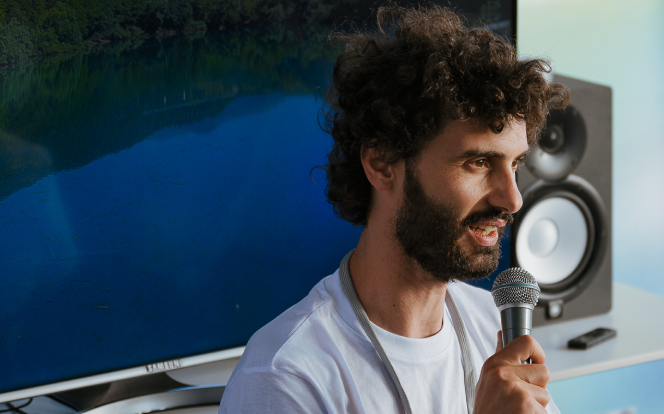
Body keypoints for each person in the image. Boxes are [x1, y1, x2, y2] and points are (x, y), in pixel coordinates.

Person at [219, 5, 569, 413]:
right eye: (478, 163)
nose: (512, 199)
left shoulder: (492, 327)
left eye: (515, 164)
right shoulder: (285, 378)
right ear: (382, 164)